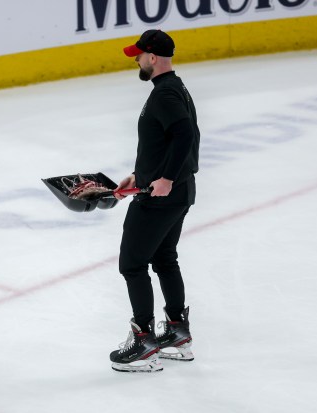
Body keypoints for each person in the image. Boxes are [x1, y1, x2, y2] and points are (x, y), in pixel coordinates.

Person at [109, 29, 200, 373]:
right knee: (164, 258)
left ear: (153, 57)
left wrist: (164, 179)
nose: (136, 59)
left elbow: (184, 135)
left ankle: (144, 342)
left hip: (163, 195)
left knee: (132, 264)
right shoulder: (173, 88)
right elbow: (168, 141)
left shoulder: (165, 94)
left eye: (139, 54)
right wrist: (140, 176)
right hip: (176, 192)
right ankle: (177, 333)